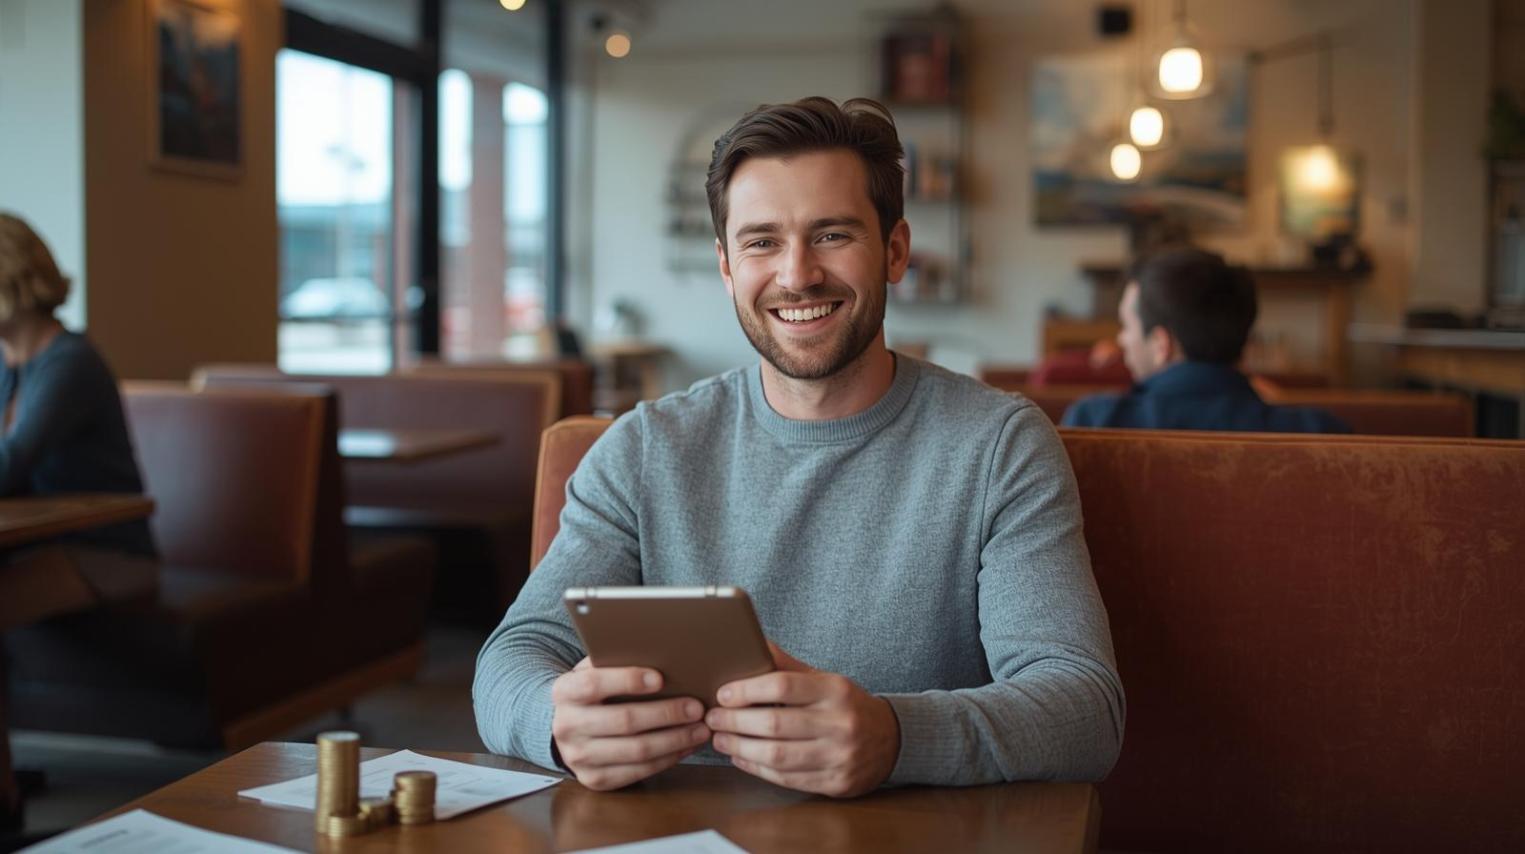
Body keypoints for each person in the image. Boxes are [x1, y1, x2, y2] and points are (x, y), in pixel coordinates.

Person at [474, 97, 1123, 797]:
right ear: (726, 265)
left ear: (895, 250)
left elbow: (1084, 709)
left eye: (832, 234)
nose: (796, 275)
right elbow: (512, 658)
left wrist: (897, 736)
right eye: (760, 242)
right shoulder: (642, 449)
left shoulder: (997, 445)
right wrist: (552, 722)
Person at [1062, 247, 1350, 433]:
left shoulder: (1093, 421)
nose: (1121, 340)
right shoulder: (1320, 431)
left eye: (1126, 326)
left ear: (1162, 345)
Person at [0, 213, 156, 556]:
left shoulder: (71, 363)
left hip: (103, 551)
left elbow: (10, 465)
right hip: (37, 545)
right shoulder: (8, 364)